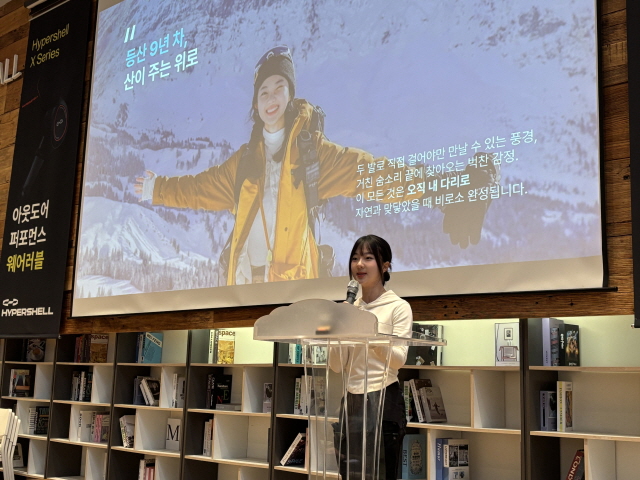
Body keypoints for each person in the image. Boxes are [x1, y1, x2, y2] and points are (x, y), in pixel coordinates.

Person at [135, 46, 498, 286]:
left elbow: (374, 175)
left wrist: (448, 186)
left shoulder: (313, 155)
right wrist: (158, 188)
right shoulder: (244, 161)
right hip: (242, 287)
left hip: (292, 291)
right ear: (256, 104)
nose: (271, 97)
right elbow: (198, 189)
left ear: (290, 94)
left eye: (279, 87)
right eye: (263, 91)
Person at [328, 234, 411, 479]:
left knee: (382, 473)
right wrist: (338, 328)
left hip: (384, 397)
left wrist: (369, 331)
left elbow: (398, 359)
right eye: (355, 258)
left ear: (385, 266)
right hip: (351, 400)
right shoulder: (350, 309)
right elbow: (336, 366)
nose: (359, 265)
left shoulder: (398, 307)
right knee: (350, 473)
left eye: (367, 258)